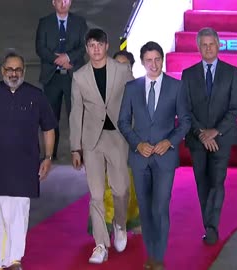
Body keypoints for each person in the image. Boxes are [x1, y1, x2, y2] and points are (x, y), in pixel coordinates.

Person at [0, 52, 57, 270]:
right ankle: (4, 262)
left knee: (19, 215)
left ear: (24, 71)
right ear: (2, 70)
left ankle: (12, 261)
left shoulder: (36, 96)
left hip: (25, 168)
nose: (13, 73)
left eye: (17, 70)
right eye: (9, 69)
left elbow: (49, 128)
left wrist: (48, 157)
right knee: (1, 216)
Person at [118, 41, 191, 270]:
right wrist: (137, 144)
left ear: (163, 59)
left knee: (160, 207)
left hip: (165, 157)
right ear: (142, 62)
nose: (154, 64)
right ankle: (151, 252)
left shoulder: (176, 87)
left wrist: (169, 142)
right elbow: (122, 121)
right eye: (149, 60)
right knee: (146, 208)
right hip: (140, 158)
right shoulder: (132, 88)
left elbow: (186, 122)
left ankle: (158, 257)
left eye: (157, 59)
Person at [70, 28, 133, 264]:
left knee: (121, 190)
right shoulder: (79, 76)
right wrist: (75, 147)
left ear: (107, 46)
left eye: (100, 45)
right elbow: (76, 113)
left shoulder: (122, 70)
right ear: (86, 49)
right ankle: (100, 245)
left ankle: (120, 223)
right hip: (92, 141)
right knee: (95, 194)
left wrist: (134, 135)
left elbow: (132, 102)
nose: (96, 49)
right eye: (91, 45)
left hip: (117, 138)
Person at [181, 27, 237, 245]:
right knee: (202, 183)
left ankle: (211, 226)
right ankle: (209, 222)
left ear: (218, 45)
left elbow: (235, 108)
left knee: (217, 181)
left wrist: (215, 132)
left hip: (221, 138)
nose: (208, 48)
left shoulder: (232, 72)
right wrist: (201, 134)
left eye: (211, 44)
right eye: (204, 45)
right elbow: (185, 109)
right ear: (198, 47)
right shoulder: (188, 75)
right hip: (197, 140)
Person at [91, 50, 141, 236]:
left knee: (131, 187)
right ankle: (106, 224)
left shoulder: (139, 88)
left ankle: (132, 221)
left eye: (124, 65)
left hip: (132, 145)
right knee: (107, 187)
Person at [35, 0, 88, 159]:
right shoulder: (44, 23)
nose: (63, 3)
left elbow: (84, 46)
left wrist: (68, 57)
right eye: (59, 0)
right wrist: (56, 59)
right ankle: (51, 154)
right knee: (51, 118)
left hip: (73, 78)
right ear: (53, 2)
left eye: (66, 0)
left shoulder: (79, 22)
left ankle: (79, 153)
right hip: (52, 77)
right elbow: (40, 48)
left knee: (77, 116)